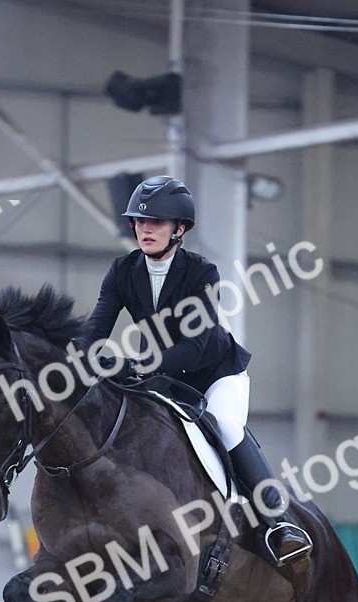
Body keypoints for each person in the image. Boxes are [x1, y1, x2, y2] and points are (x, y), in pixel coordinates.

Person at [71, 175, 312, 570]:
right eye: (139, 222)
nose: (144, 230)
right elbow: (96, 327)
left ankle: (278, 524)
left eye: (156, 223)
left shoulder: (202, 273)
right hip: (162, 379)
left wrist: (135, 365)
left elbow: (194, 346)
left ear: (179, 230)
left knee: (227, 427)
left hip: (215, 374)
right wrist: (78, 360)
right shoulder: (122, 271)